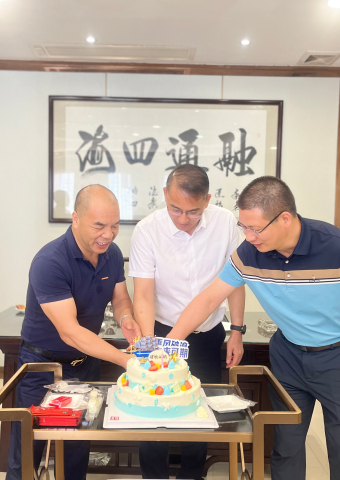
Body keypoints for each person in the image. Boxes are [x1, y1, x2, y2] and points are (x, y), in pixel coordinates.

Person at [167, 176, 340, 480]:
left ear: (285, 219)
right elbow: (209, 299)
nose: (249, 237)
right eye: (243, 227)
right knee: (285, 447)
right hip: (289, 354)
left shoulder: (339, 249)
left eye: (255, 228)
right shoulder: (249, 254)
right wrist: (168, 343)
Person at [6, 185, 141, 480]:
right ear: (76, 218)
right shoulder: (50, 262)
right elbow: (69, 332)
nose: (108, 234)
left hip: (85, 363)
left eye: (115, 226)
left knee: (78, 444)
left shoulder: (112, 254)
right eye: (99, 225)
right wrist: (125, 360)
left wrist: (127, 318)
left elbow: (120, 298)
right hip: (43, 366)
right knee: (29, 448)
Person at [129, 164, 246, 480]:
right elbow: (143, 294)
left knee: (199, 410)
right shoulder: (147, 230)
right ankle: (154, 476)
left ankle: (193, 475)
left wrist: (236, 331)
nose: (183, 219)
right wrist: (150, 343)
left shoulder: (225, 223)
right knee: (153, 410)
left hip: (207, 335)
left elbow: (235, 282)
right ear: (164, 195)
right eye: (175, 209)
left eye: (193, 211)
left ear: (207, 200)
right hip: (162, 329)